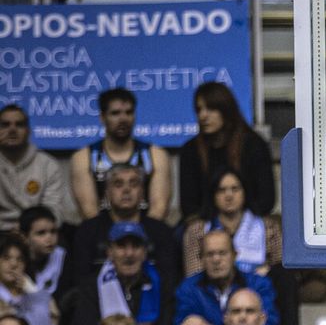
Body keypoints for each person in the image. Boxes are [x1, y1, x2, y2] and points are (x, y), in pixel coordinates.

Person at [58, 221, 178, 325]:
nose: (129, 253)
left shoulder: (162, 286)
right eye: (121, 246)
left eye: (136, 246)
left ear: (144, 252)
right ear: (109, 252)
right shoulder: (91, 287)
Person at [66, 163, 180, 298]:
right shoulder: (87, 231)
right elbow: (80, 281)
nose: (126, 190)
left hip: (152, 300)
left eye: (133, 184)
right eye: (118, 184)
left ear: (142, 192)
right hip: (99, 300)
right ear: (107, 193)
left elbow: (170, 281)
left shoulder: (161, 231)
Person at [173, 231, 278, 325]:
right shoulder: (189, 289)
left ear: (235, 255)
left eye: (222, 253)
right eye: (210, 254)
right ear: (201, 259)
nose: (216, 260)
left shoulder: (258, 285)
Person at [70, 88, 171, 222]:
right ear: (102, 117)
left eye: (129, 112)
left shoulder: (156, 155)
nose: (123, 119)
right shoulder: (84, 157)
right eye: (115, 113)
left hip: (147, 230)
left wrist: (135, 232)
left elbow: (159, 210)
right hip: (100, 231)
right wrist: (117, 233)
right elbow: (89, 212)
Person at [178, 83, 275, 220]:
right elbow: (189, 206)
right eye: (199, 109)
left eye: (211, 108)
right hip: (206, 224)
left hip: (250, 222)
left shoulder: (254, 145)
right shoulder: (191, 150)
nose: (203, 115)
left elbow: (266, 200)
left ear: (226, 110)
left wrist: (237, 224)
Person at [180, 168, 284, 279]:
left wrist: (268, 271)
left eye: (235, 189)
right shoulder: (197, 230)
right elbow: (194, 276)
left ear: (245, 192)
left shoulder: (269, 227)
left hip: (260, 287)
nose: (229, 195)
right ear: (213, 195)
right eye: (221, 190)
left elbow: (281, 269)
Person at [0, 104, 77, 230]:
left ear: (28, 131)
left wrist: (26, 229)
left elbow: (54, 212)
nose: (12, 129)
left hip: (35, 233)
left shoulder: (47, 165)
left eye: (19, 124)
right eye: (5, 125)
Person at [0, 233, 51, 325]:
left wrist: (32, 292)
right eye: (6, 258)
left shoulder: (37, 295)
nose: (14, 264)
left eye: (20, 259)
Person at [18, 207, 66, 310]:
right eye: (41, 233)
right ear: (24, 237)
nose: (49, 238)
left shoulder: (63, 257)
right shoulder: (16, 262)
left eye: (53, 231)